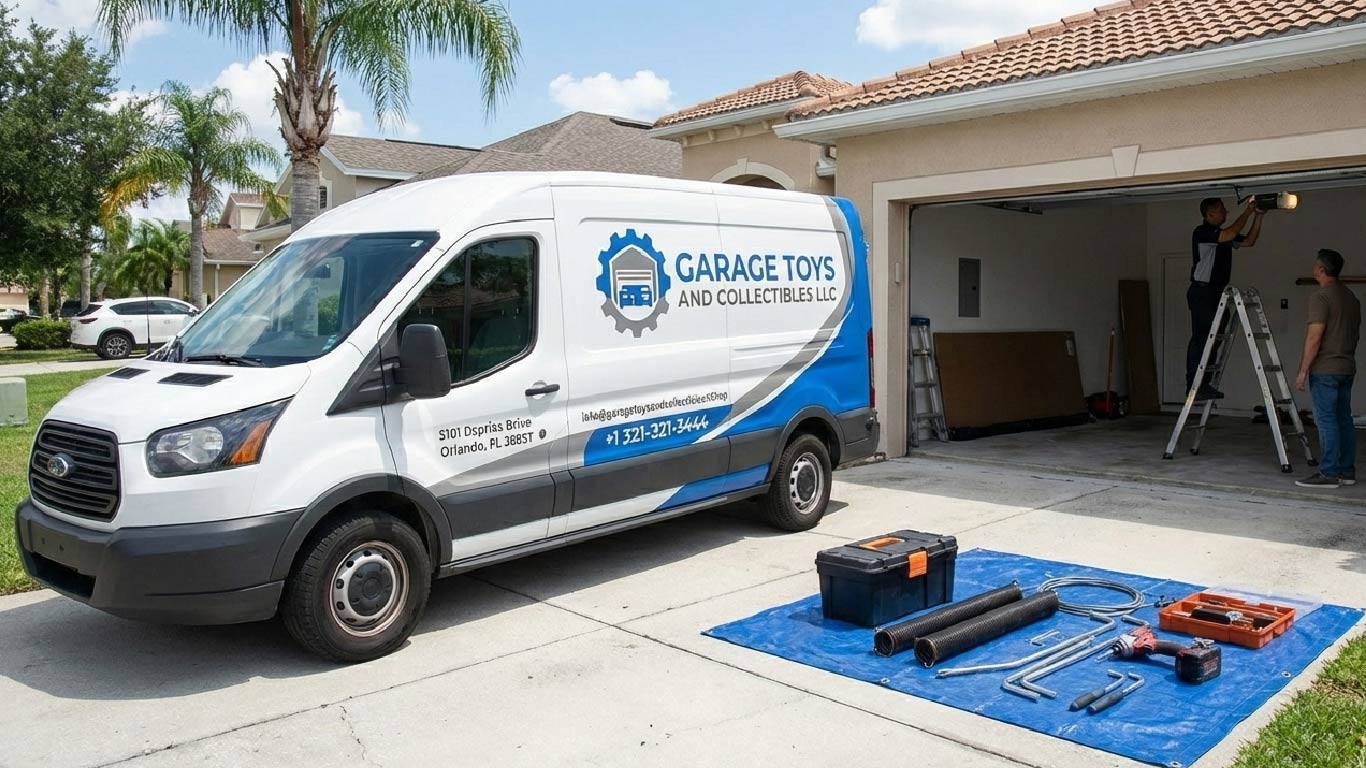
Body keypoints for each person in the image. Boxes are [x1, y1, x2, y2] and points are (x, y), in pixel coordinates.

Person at [1295, 249, 1361, 489]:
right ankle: (1346, 470)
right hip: (1346, 366)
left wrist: (1303, 370)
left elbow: (1315, 336)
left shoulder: (1321, 297)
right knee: (1344, 419)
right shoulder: (1351, 297)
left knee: (1326, 420)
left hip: (1325, 369)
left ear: (1321, 269)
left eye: (1315, 265)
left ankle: (1329, 472)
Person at [1186, 197, 1264, 400]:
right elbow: (1229, 233)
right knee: (1202, 338)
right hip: (1202, 291)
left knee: (1214, 339)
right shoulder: (1202, 232)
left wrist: (1258, 217)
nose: (1225, 212)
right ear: (1210, 214)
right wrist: (1247, 212)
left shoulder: (1223, 236)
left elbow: (1249, 241)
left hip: (1217, 293)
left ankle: (1204, 383)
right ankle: (1194, 384)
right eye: (1221, 210)